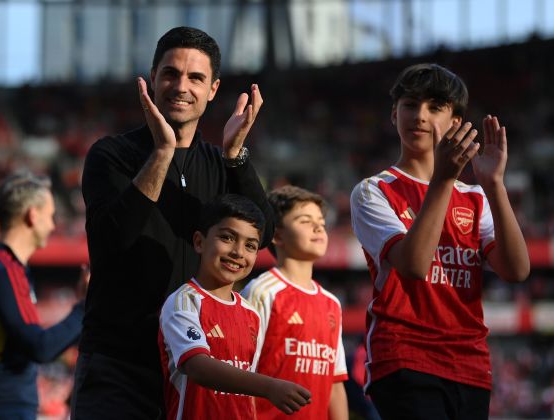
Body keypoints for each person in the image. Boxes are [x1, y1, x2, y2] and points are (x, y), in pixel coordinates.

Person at [71, 26, 274, 419]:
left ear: (213, 90)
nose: (181, 86)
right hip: (119, 365)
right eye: (171, 74)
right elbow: (113, 240)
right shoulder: (110, 155)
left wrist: (236, 157)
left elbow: (263, 234)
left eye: (196, 77)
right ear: (152, 78)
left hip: (190, 367)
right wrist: (163, 151)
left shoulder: (221, 163)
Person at [350, 63, 530, 419]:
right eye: (410, 104)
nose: (419, 116)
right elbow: (415, 265)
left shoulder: (477, 197)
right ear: (393, 114)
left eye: (434, 107)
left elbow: (517, 270)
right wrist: (444, 179)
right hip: (404, 357)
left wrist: (494, 185)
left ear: (455, 122)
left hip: (471, 363)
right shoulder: (373, 191)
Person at [158, 194, 311, 419]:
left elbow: (246, 391)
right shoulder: (184, 301)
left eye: (250, 245)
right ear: (199, 242)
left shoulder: (251, 314)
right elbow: (197, 366)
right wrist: (270, 387)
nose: (238, 252)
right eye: (228, 237)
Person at [0, 172, 89, 420]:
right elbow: (40, 348)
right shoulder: (1, 270)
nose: (53, 225)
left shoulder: (9, 269)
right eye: (50, 216)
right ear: (32, 215)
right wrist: (84, 306)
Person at [241, 185, 349, 419]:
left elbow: (335, 382)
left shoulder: (332, 303)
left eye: (321, 220)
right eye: (304, 220)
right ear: (277, 235)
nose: (318, 226)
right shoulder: (262, 291)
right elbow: (240, 370)